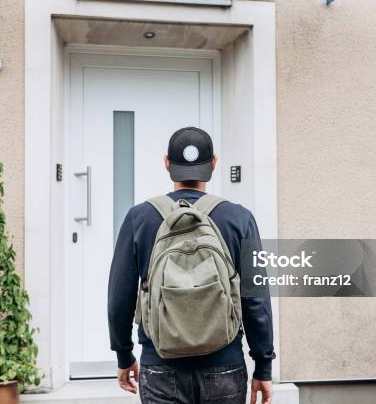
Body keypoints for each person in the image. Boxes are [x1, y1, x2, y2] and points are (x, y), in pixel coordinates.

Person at [108, 126, 275, 404]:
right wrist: (263, 366)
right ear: (214, 163)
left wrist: (124, 355)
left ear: (166, 164)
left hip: (160, 366)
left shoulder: (139, 218)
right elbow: (257, 301)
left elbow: (119, 297)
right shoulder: (239, 218)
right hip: (225, 366)